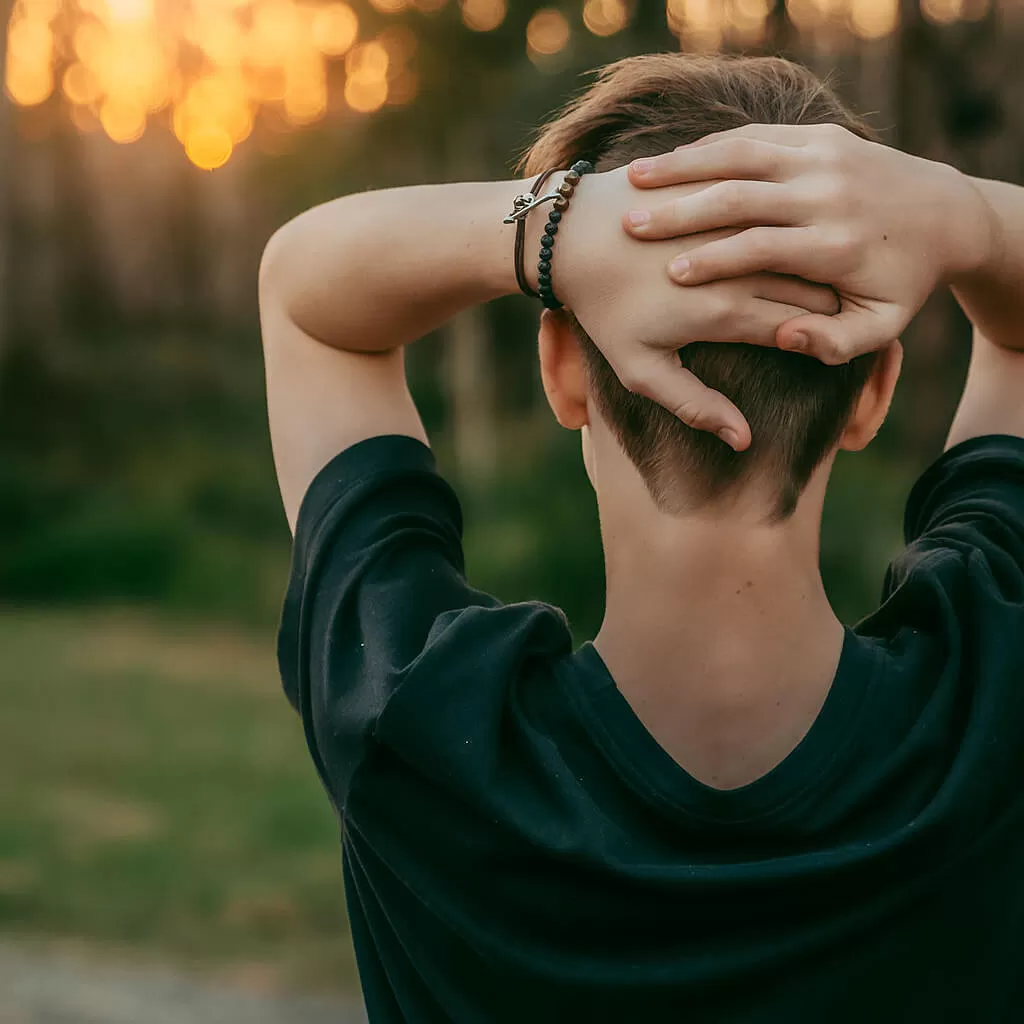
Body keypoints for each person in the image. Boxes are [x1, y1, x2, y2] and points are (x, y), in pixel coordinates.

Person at [259, 53, 1024, 1022]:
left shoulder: (419, 726)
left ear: (563, 371)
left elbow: (304, 293)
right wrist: (964, 215)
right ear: (872, 392)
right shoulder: (990, 701)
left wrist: (553, 229)